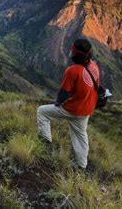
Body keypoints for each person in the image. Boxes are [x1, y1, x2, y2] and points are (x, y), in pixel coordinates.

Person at [37, 38, 100, 170]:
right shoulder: (94, 66)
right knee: (81, 135)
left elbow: (64, 93)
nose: (70, 51)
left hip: (73, 109)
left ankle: (45, 143)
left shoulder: (72, 71)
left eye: (72, 50)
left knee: (42, 112)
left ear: (77, 54)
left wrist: (58, 103)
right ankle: (82, 166)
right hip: (87, 109)